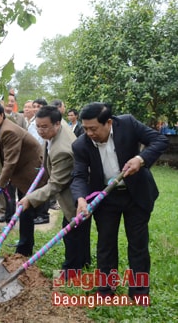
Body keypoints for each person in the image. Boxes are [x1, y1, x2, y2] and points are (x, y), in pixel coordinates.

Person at [72, 102, 168, 301]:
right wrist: (81, 199)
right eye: (85, 128)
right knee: (106, 244)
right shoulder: (81, 144)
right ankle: (106, 290)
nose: (89, 133)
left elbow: (159, 140)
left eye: (93, 129)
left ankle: (139, 293)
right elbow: (79, 176)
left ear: (108, 122)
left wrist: (140, 159)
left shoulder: (128, 124)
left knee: (138, 244)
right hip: (105, 198)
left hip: (135, 194)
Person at [17, 106, 91, 273]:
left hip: (75, 192)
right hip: (74, 185)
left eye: (45, 127)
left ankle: (71, 270)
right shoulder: (58, 128)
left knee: (72, 230)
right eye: (38, 126)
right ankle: (84, 262)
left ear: (57, 124)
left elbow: (56, 184)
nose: (40, 131)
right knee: (79, 229)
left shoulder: (62, 151)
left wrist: (30, 198)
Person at [0, 101, 47, 256]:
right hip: (24, 172)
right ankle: (24, 244)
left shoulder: (8, 131)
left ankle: (24, 250)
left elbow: (10, 162)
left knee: (25, 210)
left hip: (32, 173)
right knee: (24, 209)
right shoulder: (2, 129)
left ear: (1, 115)